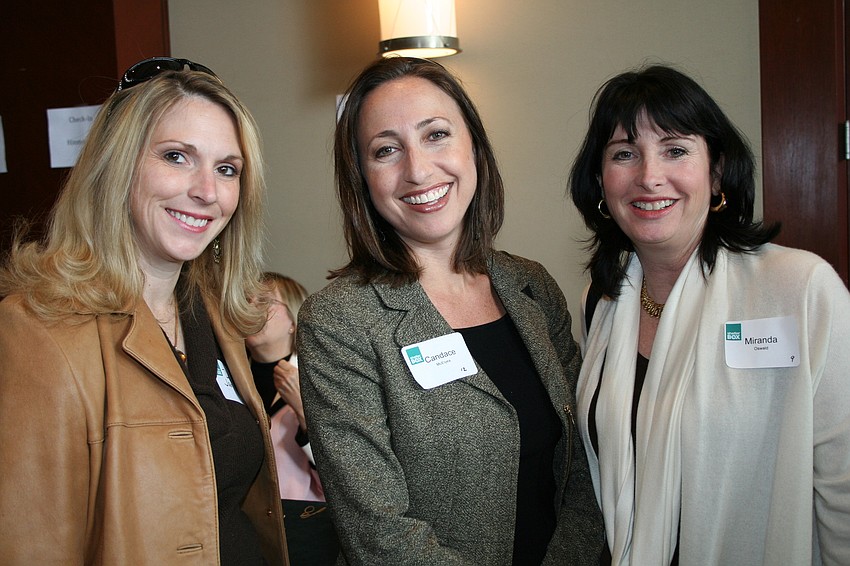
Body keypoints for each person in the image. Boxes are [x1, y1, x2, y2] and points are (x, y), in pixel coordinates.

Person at [296, 56, 604, 565]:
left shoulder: (532, 287)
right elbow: (378, 533)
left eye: (436, 135)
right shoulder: (340, 321)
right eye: (386, 150)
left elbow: (584, 462)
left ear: (475, 148)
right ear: (362, 178)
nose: (417, 169)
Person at [0, 57, 287, 565]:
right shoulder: (35, 328)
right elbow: (31, 545)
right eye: (177, 156)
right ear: (118, 163)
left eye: (227, 169)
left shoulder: (211, 315)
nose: (207, 191)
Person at [569, 64, 850, 565]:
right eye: (624, 154)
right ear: (600, 180)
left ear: (716, 170)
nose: (649, 176)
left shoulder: (799, 289)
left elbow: (843, 487)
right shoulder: (603, 301)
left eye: (675, 150)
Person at [246, 272, 340, 565]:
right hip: (242, 525)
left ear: (293, 322)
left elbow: (346, 472)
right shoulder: (226, 379)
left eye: (264, 301)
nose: (251, 306)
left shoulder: (322, 380)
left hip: (302, 528)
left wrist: (303, 411)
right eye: (245, 300)